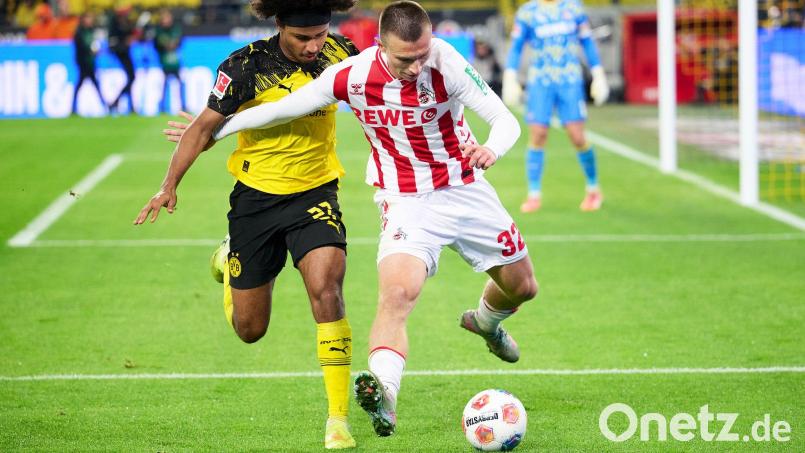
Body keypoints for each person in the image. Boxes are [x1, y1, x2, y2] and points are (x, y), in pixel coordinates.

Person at [205, 0, 538, 438]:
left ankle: (486, 323)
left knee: (523, 287)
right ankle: (384, 394)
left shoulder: (446, 62)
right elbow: (285, 107)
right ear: (381, 45)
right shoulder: (353, 75)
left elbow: (503, 120)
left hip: (465, 187)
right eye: (405, 59)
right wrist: (217, 130)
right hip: (406, 201)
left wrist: (492, 148)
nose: (417, 66)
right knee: (398, 294)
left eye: (422, 54)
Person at [135, 1, 360, 449]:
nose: (314, 45)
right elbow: (203, 129)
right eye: (303, 38)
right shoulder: (245, 66)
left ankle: (338, 419)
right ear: (279, 26)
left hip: (315, 193)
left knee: (328, 287)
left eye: (321, 34)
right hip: (255, 202)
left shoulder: (342, 54)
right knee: (250, 330)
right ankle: (228, 256)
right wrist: (168, 185)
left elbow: (377, 102)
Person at [503, 0, 609, 213]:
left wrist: (598, 73)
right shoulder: (528, 12)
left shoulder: (573, 8)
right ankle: (534, 195)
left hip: (569, 80)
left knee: (577, 136)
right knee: (538, 135)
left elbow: (587, 42)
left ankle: (593, 188)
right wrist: (510, 75)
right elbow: (516, 46)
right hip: (540, 81)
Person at [107, 5, 139, 113]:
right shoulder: (115, 23)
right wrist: (126, 42)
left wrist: (133, 35)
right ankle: (117, 102)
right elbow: (114, 41)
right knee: (131, 77)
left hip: (124, 52)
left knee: (131, 78)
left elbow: (130, 33)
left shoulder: (123, 22)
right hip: (121, 52)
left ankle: (125, 104)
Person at [72, 12, 105, 115]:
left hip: (90, 63)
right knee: (85, 85)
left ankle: (73, 108)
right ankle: (105, 106)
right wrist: (91, 51)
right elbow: (82, 47)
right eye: (88, 18)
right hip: (84, 63)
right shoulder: (79, 32)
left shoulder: (91, 31)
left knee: (91, 85)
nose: (90, 21)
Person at [154, 9, 184, 113]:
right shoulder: (158, 31)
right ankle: (161, 106)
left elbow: (180, 41)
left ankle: (183, 106)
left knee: (180, 83)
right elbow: (157, 44)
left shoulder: (175, 29)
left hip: (175, 62)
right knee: (164, 84)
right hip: (165, 62)